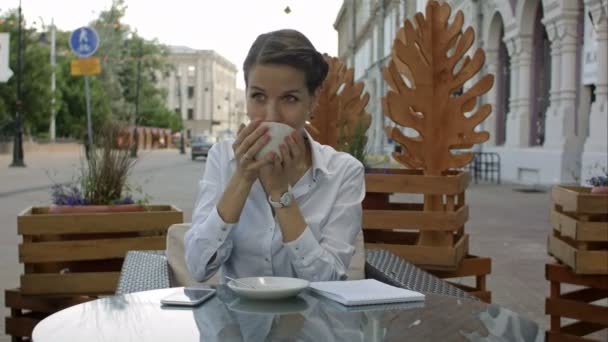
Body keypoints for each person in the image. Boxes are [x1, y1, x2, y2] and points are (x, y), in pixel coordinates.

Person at [184, 29, 365, 283]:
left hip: (313, 320)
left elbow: (330, 280)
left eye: (289, 98)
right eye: (258, 97)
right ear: (245, 97)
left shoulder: (344, 173)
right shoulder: (223, 158)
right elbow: (198, 267)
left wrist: (280, 194)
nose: (271, 116)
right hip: (238, 320)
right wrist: (243, 177)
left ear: (312, 102)